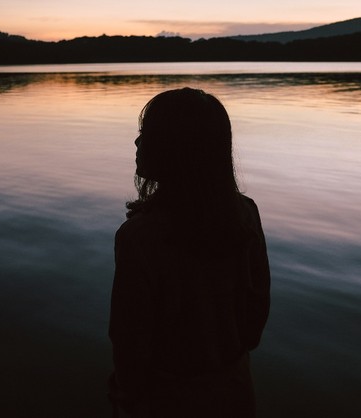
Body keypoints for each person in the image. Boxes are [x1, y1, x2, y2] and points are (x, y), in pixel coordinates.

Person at [108, 87, 271, 417]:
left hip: (167, 398)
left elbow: (130, 339)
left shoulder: (140, 236)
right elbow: (255, 316)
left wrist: (126, 396)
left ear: (176, 148)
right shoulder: (245, 214)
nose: (137, 143)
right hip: (235, 389)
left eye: (148, 134)